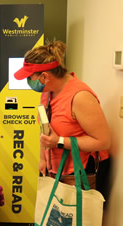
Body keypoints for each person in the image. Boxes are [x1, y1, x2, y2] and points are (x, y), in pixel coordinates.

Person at [13, 40, 111, 198]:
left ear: (44, 76)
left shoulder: (80, 97)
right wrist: (43, 159)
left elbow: (103, 141)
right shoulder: (47, 92)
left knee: (78, 220)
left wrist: (59, 141)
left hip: (81, 172)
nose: (28, 82)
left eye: (29, 78)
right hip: (57, 170)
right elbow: (45, 129)